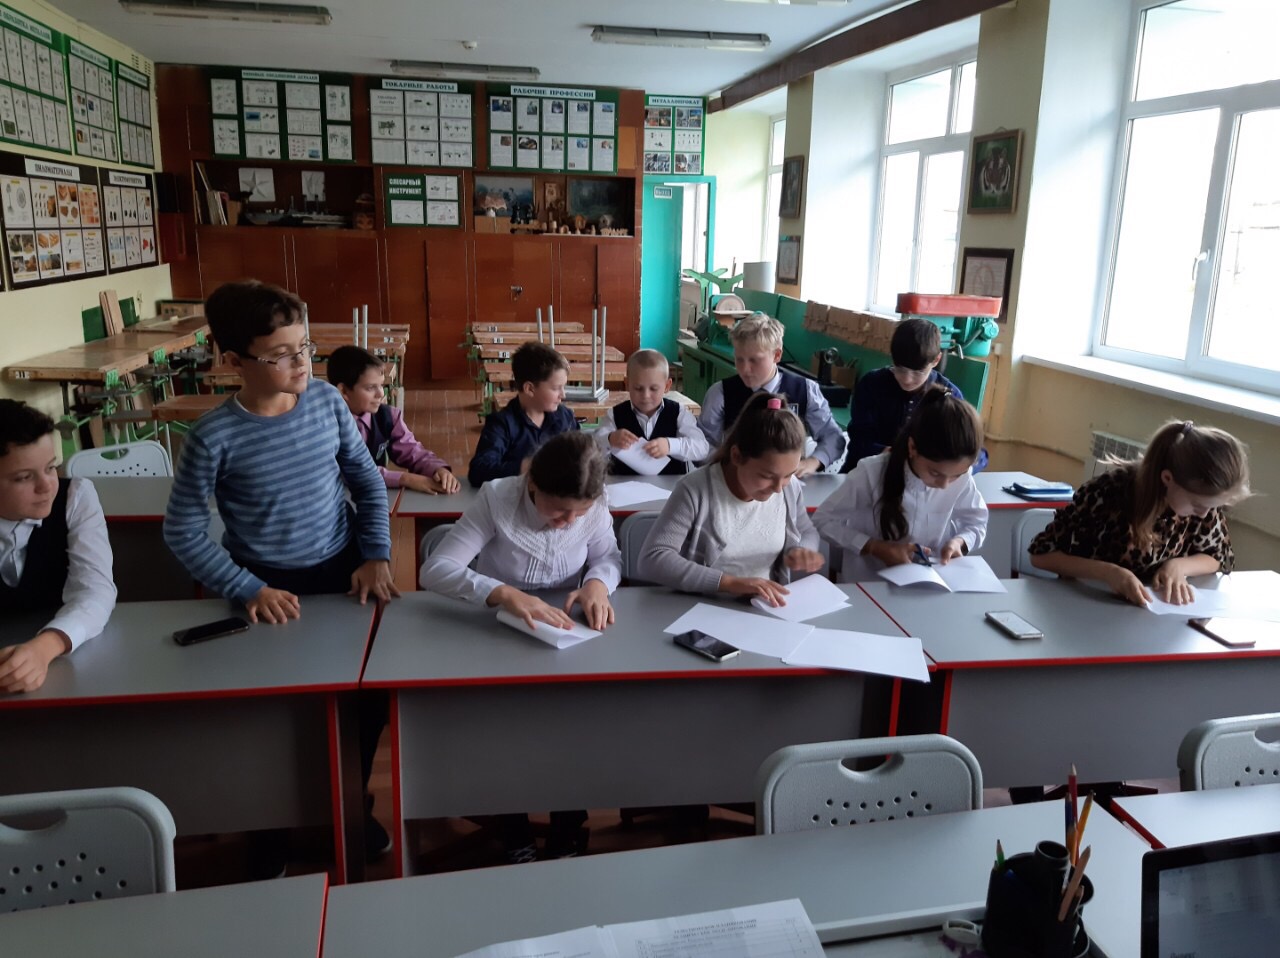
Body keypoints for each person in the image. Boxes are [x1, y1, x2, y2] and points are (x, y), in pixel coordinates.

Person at [163, 279, 396, 862]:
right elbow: (182, 530)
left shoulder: (326, 402)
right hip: (264, 584)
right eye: (282, 355)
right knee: (270, 711)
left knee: (364, 700)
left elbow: (367, 482)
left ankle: (351, 803)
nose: (302, 363)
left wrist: (375, 554)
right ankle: (268, 825)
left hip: (342, 573)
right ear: (233, 361)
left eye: (305, 347)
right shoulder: (212, 436)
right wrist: (247, 588)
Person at [421, 432, 620, 862]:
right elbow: (436, 569)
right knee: (504, 732)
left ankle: (568, 826)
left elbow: (608, 557)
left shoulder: (594, 506)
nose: (568, 521)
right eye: (558, 509)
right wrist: (502, 593)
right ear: (532, 484)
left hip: (565, 635)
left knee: (574, 729)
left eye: (579, 512)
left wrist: (597, 584)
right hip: (501, 631)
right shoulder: (498, 498)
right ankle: (513, 829)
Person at [1028, 420, 1248, 606]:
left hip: (1150, 613)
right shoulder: (1107, 493)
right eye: (1197, 505)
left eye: (1214, 507)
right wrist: (1108, 573)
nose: (1203, 515)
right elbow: (1041, 555)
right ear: (1167, 479)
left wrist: (1178, 566)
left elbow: (1216, 556)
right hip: (1087, 604)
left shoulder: (1203, 503)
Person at [639, 392, 824, 607]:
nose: (778, 488)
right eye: (767, 476)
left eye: (789, 475)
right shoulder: (696, 490)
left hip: (765, 608)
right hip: (704, 608)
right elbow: (653, 558)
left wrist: (802, 550)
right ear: (736, 456)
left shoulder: (789, 489)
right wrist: (729, 583)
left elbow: (806, 530)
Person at [814, 386, 988, 582]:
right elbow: (823, 521)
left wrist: (960, 541)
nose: (945, 485)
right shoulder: (871, 472)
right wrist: (874, 547)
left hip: (930, 583)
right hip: (869, 584)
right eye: (935, 473)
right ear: (912, 447)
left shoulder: (963, 477)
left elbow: (976, 522)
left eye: (956, 476)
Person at [0, 400, 116, 693]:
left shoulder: (76, 496)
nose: (46, 486)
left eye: (51, 467)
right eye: (24, 477)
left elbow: (95, 591)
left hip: (63, 659)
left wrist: (45, 648)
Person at [697, 314, 845, 477]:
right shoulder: (720, 393)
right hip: (736, 480)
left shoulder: (805, 390)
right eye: (739, 359)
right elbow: (702, 445)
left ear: (776, 355)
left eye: (754, 360)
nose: (745, 369)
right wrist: (728, 465)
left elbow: (833, 437)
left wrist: (813, 462)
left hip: (787, 482)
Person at [326, 345, 459, 495]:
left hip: (373, 497)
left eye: (381, 385)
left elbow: (412, 451)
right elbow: (348, 471)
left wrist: (437, 469)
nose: (381, 394)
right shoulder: (326, 425)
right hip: (334, 499)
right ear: (343, 391)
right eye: (370, 388)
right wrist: (405, 478)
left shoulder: (388, 417)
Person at [842, 318, 967, 472]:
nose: (907, 379)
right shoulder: (872, 384)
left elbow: (972, 451)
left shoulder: (949, 396)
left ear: (936, 360)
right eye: (900, 368)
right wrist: (891, 454)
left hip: (922, 479)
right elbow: (859, 440)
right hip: (864, 472)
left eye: (918, 372)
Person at [469, 341, 578, 487]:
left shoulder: (565, 417)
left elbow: (581, 455)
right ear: (529, 389)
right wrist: (526, 466)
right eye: (556, 388)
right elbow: (478, 470)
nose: (563, 395)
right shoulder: (502, 424)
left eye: (563, 387)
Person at [594, 348, 708, 475]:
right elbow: (594, 447)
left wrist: (670, 445)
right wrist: (610, 438)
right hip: (624, 483)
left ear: (667, 386)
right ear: (627, 384)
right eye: (638, 388)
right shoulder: (615, 414)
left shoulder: (679, 413)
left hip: (671, 485)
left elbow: (702, 448)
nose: (646, 396)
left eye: (653, 389)